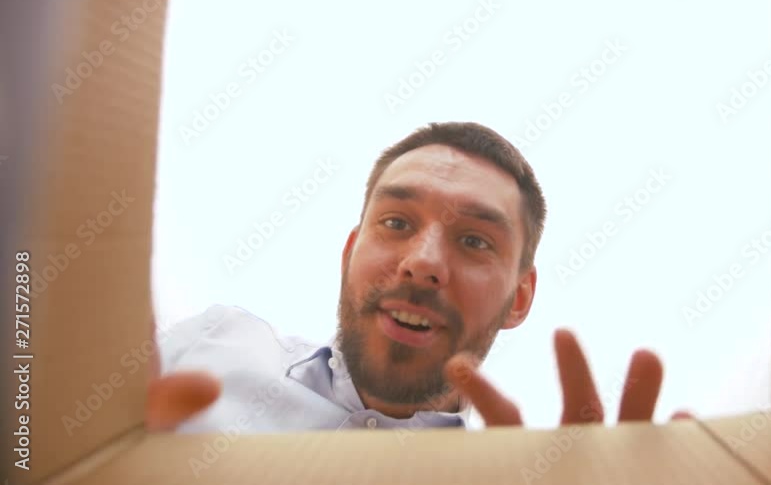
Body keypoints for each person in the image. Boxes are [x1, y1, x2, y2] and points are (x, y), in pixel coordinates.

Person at [148, 121, 685, 432]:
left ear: (520, 297)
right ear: (350, 253)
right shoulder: (209, 346)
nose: (423, 262)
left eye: (474, 241)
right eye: (397, 223)